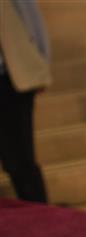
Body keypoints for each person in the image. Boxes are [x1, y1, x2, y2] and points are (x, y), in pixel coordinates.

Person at [0, 0, 50, 203]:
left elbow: (33, 23)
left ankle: (40, 213)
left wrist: (41, 66)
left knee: (21, 160)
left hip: (11, 81)